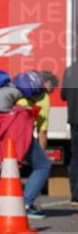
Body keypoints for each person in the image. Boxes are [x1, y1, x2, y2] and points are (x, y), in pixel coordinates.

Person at [16, 70, 58, 219]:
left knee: (10, 168)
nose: (52, 91)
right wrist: (41, 154)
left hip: (7, 131)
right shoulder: (43, 97)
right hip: (22, 133)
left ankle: (0, 205)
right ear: (47, 83)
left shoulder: (19, 90)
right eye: (52, 87)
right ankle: (26, 205)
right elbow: (42, 131)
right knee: (43, 166)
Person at [60, 64, 78, 206]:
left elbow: (63, 95)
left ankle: (76, 196)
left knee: (76, 157)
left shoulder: (70, 70)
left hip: (74, 119)